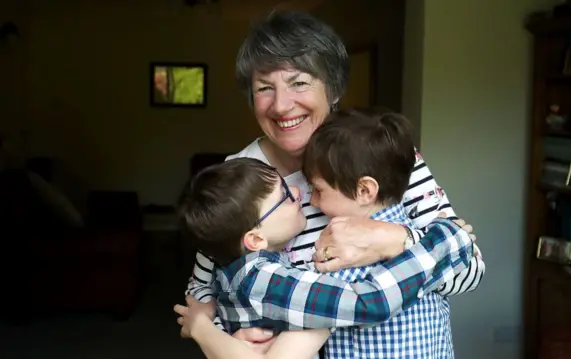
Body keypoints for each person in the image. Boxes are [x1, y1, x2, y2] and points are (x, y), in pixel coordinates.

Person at [180, 10, 485, 353]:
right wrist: (227, 333)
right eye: (264, 88)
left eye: (299, 82)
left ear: (333, 88)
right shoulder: (238, 175)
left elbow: (470, 269)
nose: (281, 106)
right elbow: (202, 289)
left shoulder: (381, 150)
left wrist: (395, 239)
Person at [174, 112, 475, 357]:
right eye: (286, 195)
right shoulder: (279, 275)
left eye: (315, 189)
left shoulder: (371, 157)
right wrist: (447, 238)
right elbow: (369, 302)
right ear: (254, 239)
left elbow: (473, 269)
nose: (302, 195)